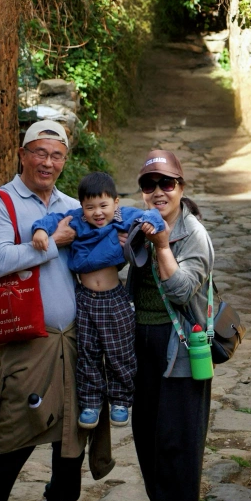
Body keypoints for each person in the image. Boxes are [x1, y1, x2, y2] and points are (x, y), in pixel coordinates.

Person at [0, 121, 113, 501]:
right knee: (13, 429)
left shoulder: (72, 205)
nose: (48, 162)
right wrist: (53, 242)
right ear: (23, 154)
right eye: (40, 152)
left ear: (64, 160)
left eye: (56, 155)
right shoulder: (2, 202)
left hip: (75, 337)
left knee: (75, 427)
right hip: (28, 341)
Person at [126, 149, 215, 501]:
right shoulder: (141, 224)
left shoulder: (193, 234)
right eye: (150, 184)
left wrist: (162, 246)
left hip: (180, 346)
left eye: (166, 183)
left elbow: (181, 291)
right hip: (143, 342)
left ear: (180, 187)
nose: (158, 191)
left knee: (178, 439)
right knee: (147, 433)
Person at [31, 171, 166, 429]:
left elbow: (150, 215)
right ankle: (91, 402)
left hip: (114, 299)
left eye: (103, 205)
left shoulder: (122, 217)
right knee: (88, 352)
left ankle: (120, 400)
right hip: (85, 300)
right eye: (90, 207)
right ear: (82, 207)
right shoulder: (78, 222)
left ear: (116, 202)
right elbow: (53, 219)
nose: (97, 213)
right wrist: (39, 230)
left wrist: (151, 224)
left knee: (120, 351)